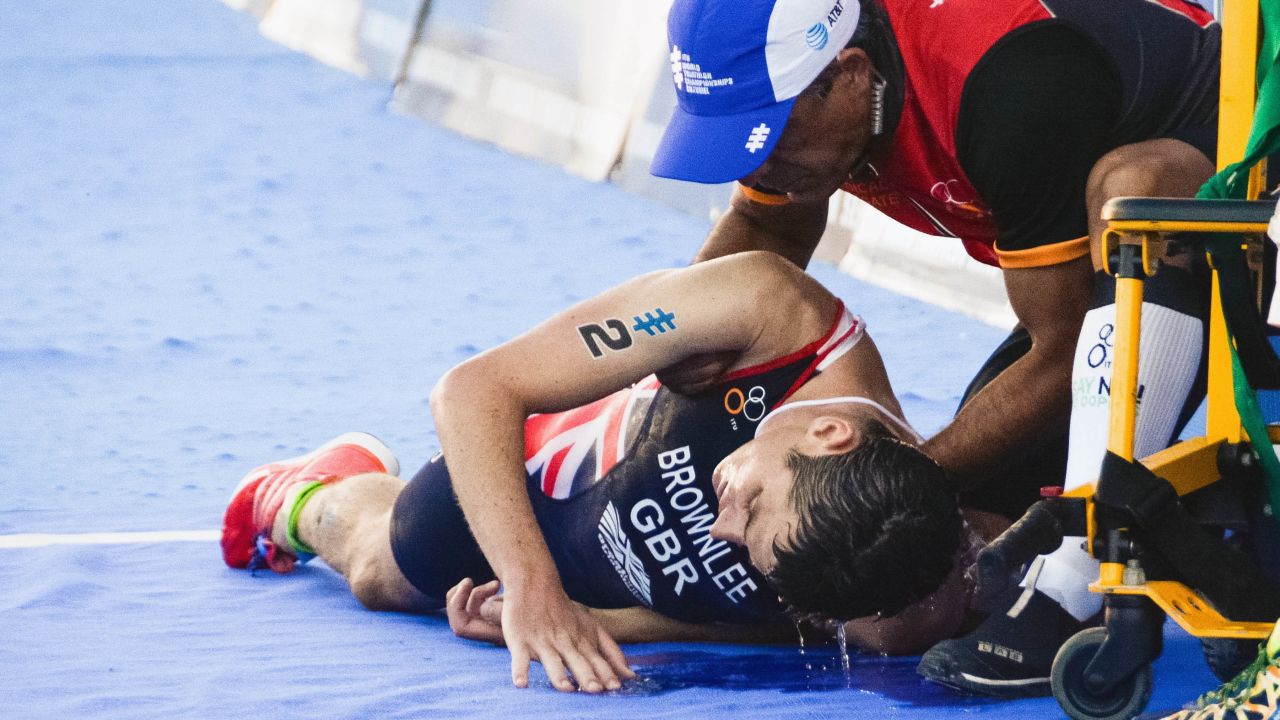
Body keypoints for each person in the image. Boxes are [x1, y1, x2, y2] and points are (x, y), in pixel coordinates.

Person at [651, 0, 1226, 697]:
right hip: (1087, 269)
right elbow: (765, 231)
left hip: (1229, 136)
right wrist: (651, 361)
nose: (761, 162)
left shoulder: (1006, 83)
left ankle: (1081, 573)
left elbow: (1063, 347)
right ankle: (1190, 526)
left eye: (768, 133)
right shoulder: (807, 102)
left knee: (1132, 196)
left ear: (852, 73)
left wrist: (890, 484)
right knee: (955, 548)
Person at [220, 251, 996, 693]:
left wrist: (603, 626)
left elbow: (780, 623)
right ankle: (308, 489)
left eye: (751, 548)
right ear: (828, 433)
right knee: (385, 572)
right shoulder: (769, 312)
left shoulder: (891, 596)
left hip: (622, 589)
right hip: (552, 480)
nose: (723, 527)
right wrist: (533, 591)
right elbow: (473, 390)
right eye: (753, 503)